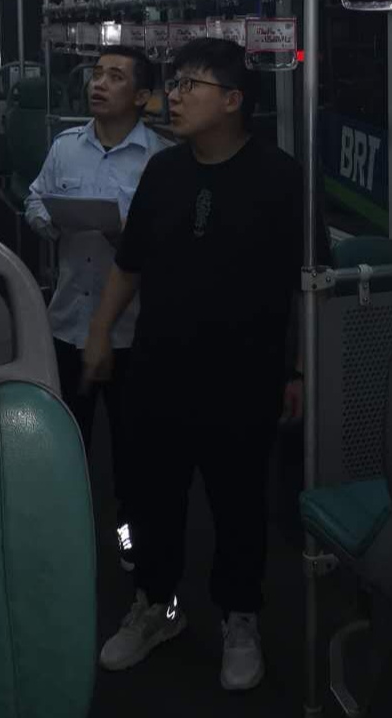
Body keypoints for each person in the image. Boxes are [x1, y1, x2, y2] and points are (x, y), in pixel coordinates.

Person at [82, 38, 325, 691]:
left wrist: (299, 369)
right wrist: (100, 333)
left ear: (234, 100)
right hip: (159, 367)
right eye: (175, 83)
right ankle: (156, 606)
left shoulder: (281, 179)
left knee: (238, 503)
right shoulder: (163, 173)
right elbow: (129, 265)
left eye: (192, 84)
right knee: (152, 499)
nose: (176, 95)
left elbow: (308, 285)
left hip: (245, 374)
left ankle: (239, 617)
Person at [24, 45, 168, 570]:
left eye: (115, 77)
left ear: (142, 96)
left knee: (133, 451)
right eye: (97, 74)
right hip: (67, 322)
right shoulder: (66, 148)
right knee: (66, 440)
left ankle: (130, 538)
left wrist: (128, 236)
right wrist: (53, 221)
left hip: (132, 331)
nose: (98, 84)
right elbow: (35, 198)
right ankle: (69, 534)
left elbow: (171, 242)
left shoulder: (159, 160)